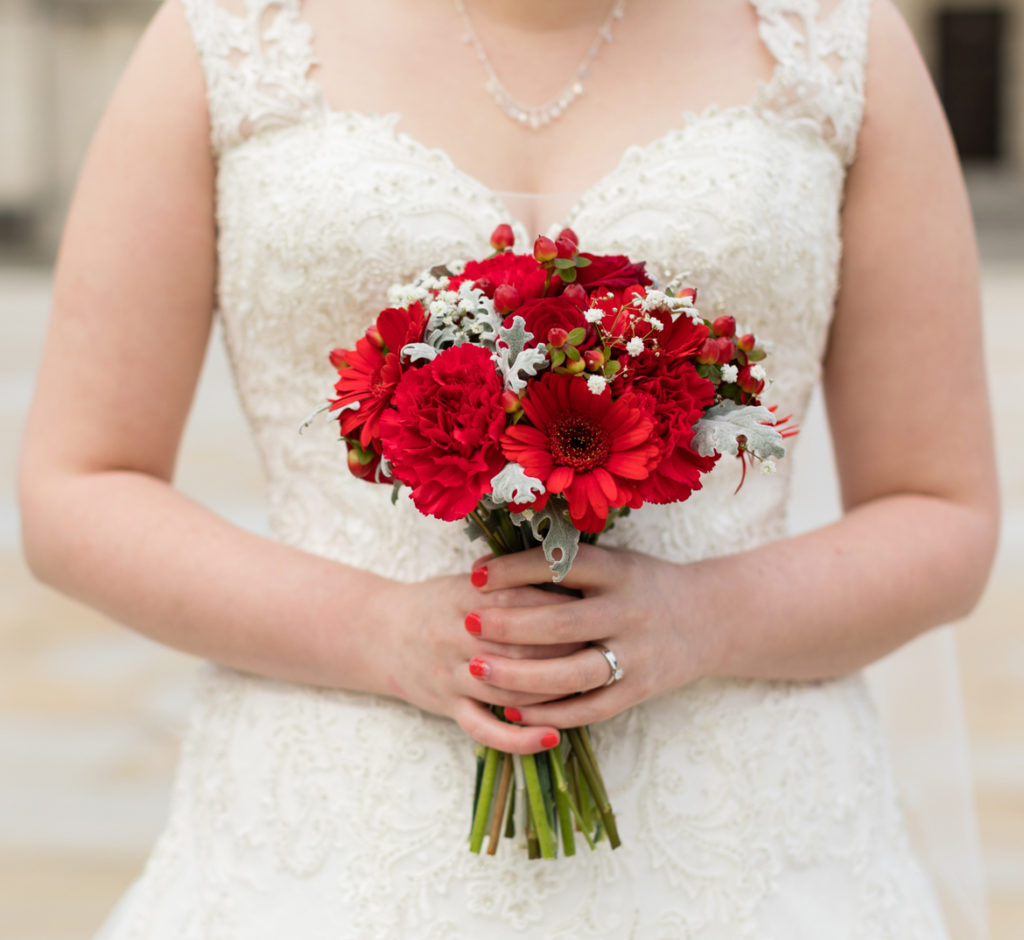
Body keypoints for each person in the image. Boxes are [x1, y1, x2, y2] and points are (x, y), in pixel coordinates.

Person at [18, 0, 999, 936]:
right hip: (334, 829)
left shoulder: (833, 38)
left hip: (741, 831)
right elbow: (79, 486)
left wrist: (699, 618)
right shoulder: (229, 35)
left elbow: (941, 510)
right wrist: (375, 632)